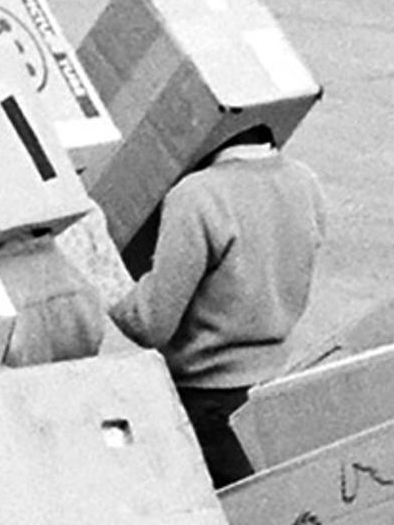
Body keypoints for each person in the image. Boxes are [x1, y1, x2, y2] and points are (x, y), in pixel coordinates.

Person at [109, 132, 325, 485]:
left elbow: (151, 323)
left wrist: (104, 273)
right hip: (275, 388)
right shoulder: (304, 180)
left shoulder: (197, 195)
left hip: (205, 401)